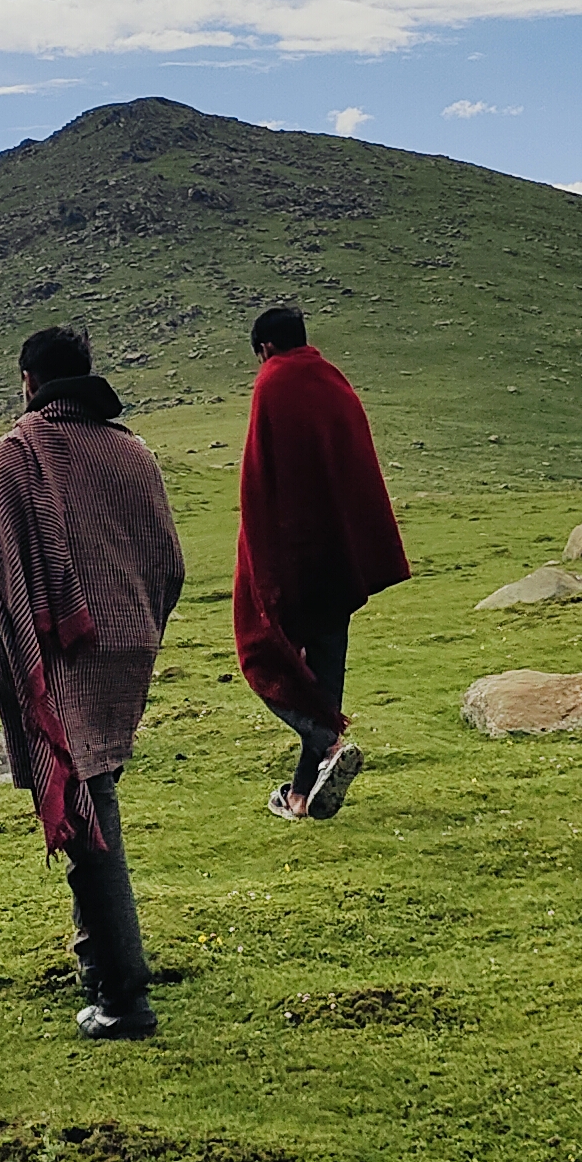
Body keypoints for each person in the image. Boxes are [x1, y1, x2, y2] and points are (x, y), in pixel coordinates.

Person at [0, 325, 188, 1040]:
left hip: (61, 648)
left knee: (87, 810)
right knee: (93, 793)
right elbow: (172, 561)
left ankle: (125, 995)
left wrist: (13, 668)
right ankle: (95, 964)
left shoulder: (18, 452)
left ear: (29, 380)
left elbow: (6, 575)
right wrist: (142, 628)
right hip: (129, 640)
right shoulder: (134, 450)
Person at [233, 302, 410, 821]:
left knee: (263, 656)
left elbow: (262, 480)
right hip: (339, 553)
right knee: (325, 671)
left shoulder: (272, 383)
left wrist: (261, 561)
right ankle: (300, 796)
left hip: (295, 555)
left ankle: (327, 743)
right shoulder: (333, 380)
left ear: (265, 347)